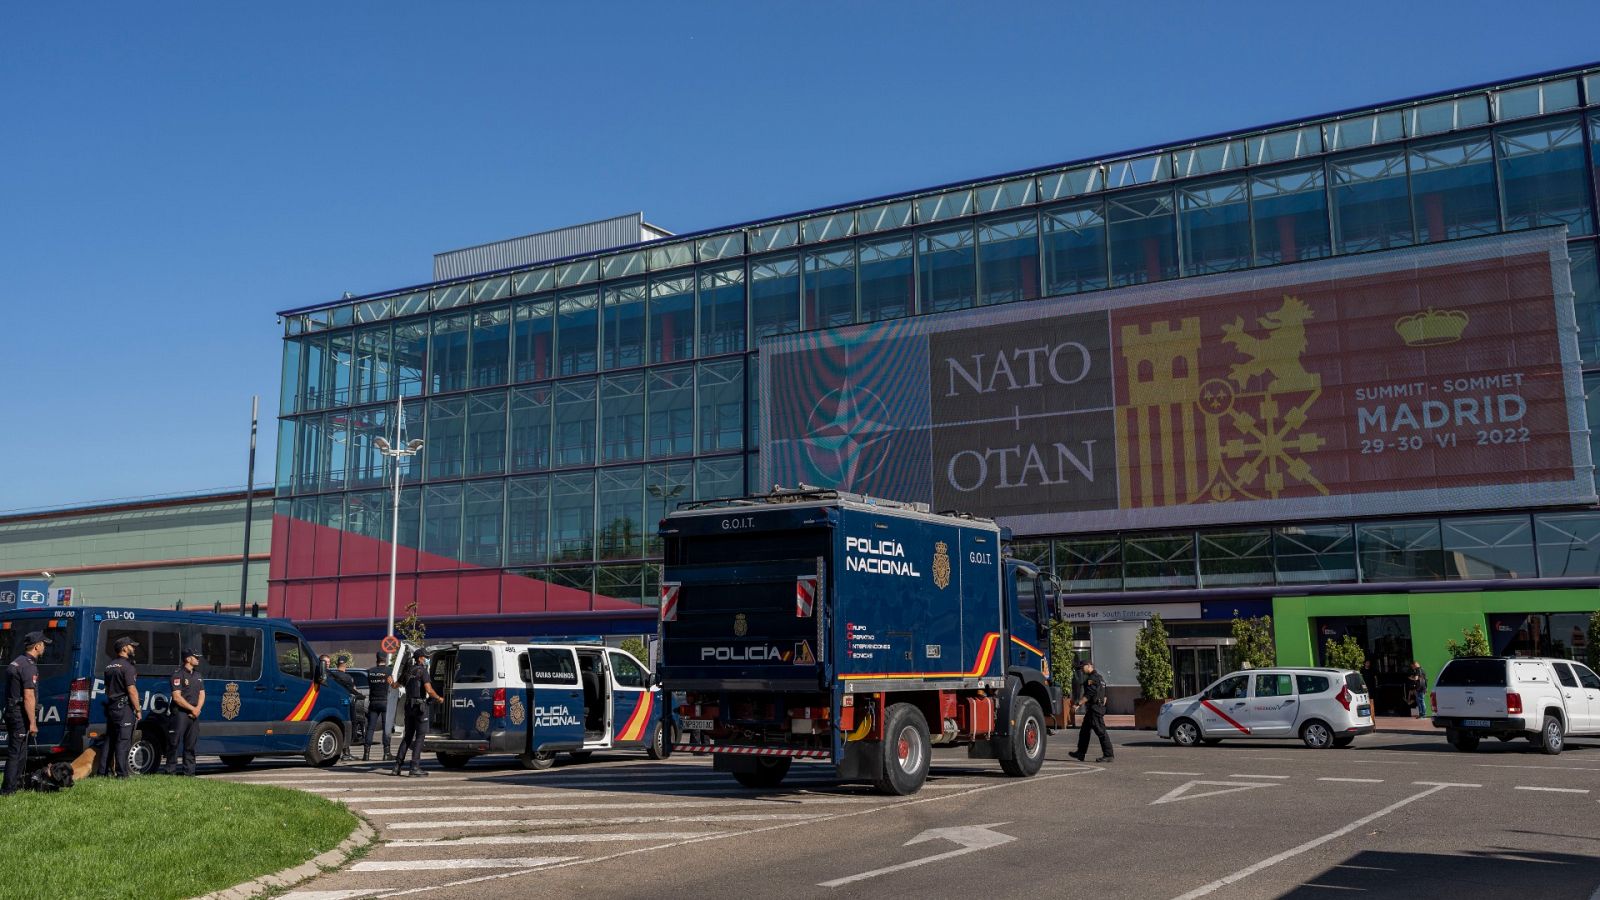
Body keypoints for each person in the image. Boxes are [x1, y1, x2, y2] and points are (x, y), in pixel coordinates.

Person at [3, 631, 49, 795]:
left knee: (19, 751)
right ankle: (8, 790)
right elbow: (29, 696)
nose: (44, 648)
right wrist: (33, 723)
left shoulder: (17, 662)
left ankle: (15, 785)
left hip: (11, 711)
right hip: (19, 714)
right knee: (17, 753)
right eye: (43, 644)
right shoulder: (28, 666)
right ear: (37, 646)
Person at [392, 648, 442, 777]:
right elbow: (429, 690)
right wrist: (439, 698)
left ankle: (397, 767)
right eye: (425, 657)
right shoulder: (422, 671)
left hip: (408, 707)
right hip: (419, 708)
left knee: (407, 737)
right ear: (420, 658)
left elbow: (395, 686)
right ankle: (414, 767)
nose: (427, 659)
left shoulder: (407, 671)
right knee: (420, 737)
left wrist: (390, 681)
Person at [96, 636, 141, 778]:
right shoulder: (128, 667)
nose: (133, 648)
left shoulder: (109, 666)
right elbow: (132, 690)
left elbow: (107, 689)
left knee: (110, 740)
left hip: (112, 707)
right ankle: (122, 774)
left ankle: (102, 772)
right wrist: (138, 709)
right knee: (123, 741)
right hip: (124, 708)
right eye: (131, 646)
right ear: (124, 648)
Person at [164, 649, 205, 776]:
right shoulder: (178, 674)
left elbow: (202, 694)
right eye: (195, 657)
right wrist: (192, 709)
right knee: (174, 743)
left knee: (190, 745)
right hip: (180, 713)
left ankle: (189, 774)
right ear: (188, 659)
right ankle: (170, 773)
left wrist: (197, 709)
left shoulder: (198, 675)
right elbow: (177, 697)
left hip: (194, 714)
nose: (198, 659)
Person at [1068, 660, 1113, 763]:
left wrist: (1077, 704)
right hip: (1095, 708)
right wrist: (1101, 704)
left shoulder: (1092, 679)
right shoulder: (1100, 678)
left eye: (1082, 667)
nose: (1081, 670)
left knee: (1101, 732)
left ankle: (1108, 755)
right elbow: (1105, 694)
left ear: (1089, 666)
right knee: (1084, 731)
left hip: (1094, 709)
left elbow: (1089, 694)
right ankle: (1080, 753)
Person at [326, 656, 365, 761]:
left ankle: (340, 752)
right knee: (348, 727)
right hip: (346, 704)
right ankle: (346, 753)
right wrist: (361, 696)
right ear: (346, 664)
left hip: (333, 704)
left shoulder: (331, 676)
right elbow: (354, 690)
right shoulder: (348, 677)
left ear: (336, 664)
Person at [365, 653, 394, 762]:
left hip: (373, 702)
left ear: (376, 659)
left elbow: (370, 685)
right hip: (385, 702)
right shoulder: (389, 671)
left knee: (370, 728)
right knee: (386, 727)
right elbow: (392, 684)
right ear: (385, 659)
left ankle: (366, 754)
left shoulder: (370, 671)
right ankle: (386, 753)